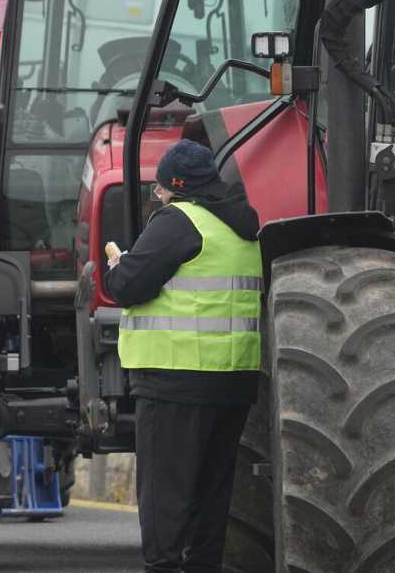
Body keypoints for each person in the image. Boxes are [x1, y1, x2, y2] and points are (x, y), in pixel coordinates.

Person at [105, 139, 263, 573]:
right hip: (232, 380)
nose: (157, 195)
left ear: (177, 187)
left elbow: (128, 286)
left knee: (165, 493)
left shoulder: (179, 221)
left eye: (159, 188)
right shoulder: (243, 227)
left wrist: (118, 267)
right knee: (212, 493)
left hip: (174, 376)